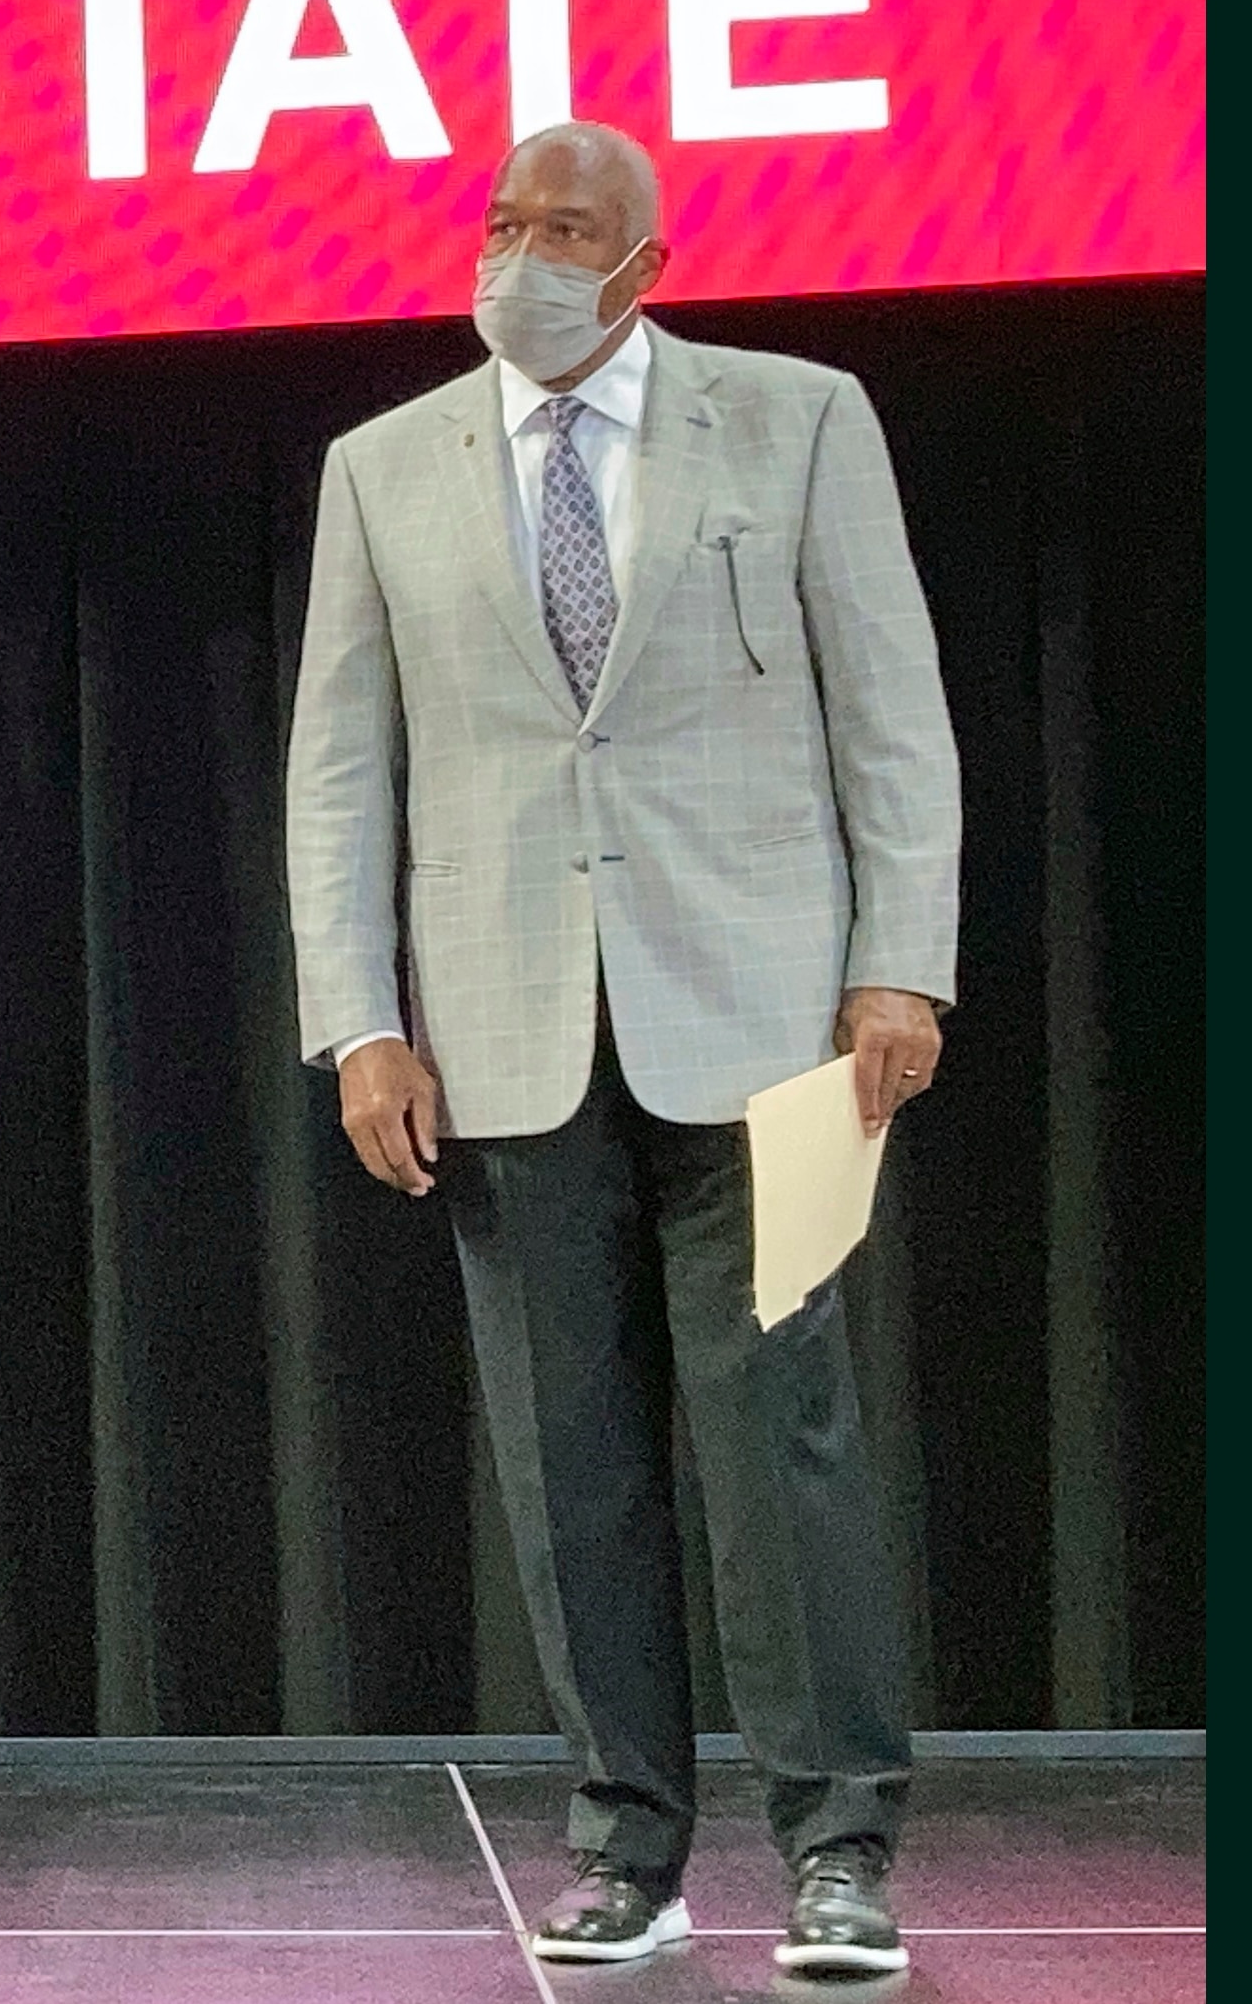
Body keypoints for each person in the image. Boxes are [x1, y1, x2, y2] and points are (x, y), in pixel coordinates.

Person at [285, 121, 958, 1977]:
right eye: (503, 222)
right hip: (499, 1028)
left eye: (567, 230)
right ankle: (625, 1850)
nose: (522, 256)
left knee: (785, 1444)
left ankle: (838, 1848)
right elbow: (338, 769)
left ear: (646, 264)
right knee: (565, 1463)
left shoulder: (798, 420)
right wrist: (359, 1022)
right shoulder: (382, 466)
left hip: (774, 1026)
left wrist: (900, 966)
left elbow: (889, 708)